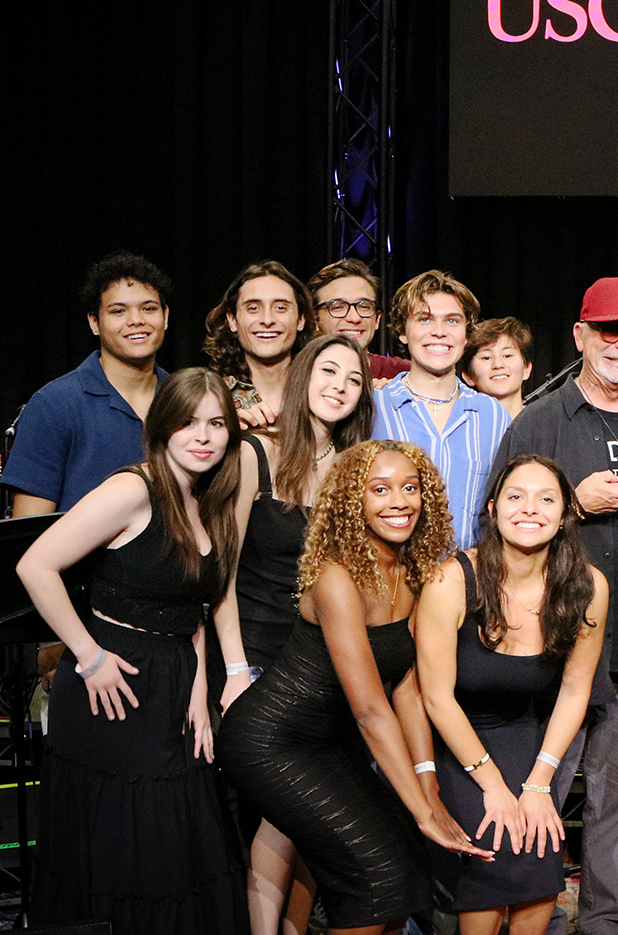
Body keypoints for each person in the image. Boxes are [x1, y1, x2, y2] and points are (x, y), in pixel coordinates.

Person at [486, 275, 618, 935]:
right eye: (610, 330)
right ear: (580, 335)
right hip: (546, 661)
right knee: (534, 799)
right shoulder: (540, 421)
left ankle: (605, 927)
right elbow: (493, 525)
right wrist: (572, 503)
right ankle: (528, 920)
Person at [16, 367, 248, 935]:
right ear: (163, 426)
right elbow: (34, 565)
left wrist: (199, 690)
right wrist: (88, 656)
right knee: (132, 851)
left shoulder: (207, 499)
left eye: (217, 423)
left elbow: (195, 605)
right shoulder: (132, 489)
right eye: (189, 421)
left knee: (180, 849)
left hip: (174, 684)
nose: (203, 436)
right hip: (112, 686)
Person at [218, 440, 484, 934]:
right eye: (379, 490)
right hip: (270, 742)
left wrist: (427, 780)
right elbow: (369, 709)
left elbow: (405, 684)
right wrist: (423, 811)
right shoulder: (336, 577)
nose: (398, 501)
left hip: (327, 742)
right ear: (351, 501)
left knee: (407, 871)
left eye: (410, 488)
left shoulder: (412, 571)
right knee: (375, 880)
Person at [416, 454, 608, 935]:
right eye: (516, 496)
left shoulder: (587, 586)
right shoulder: (450, 582)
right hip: (457, 737)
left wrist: (540, 782)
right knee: (493, 848)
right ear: (493, 508)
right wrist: (494, 787)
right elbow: (436, 698)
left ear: (565, 513)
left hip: (526, 736)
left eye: (546, 499)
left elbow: (574, 689)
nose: (530, 509)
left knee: (540, 856)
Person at [222, 333, 375, 935]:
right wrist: (234, 669)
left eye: (354, 378)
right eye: (328, 371)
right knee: (273, 813)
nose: (339, 384)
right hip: (255, 657)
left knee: (301, 816)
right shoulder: (253, 455)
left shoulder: (358, 470)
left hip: (321, 664)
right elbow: (222, 575)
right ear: (302, 377)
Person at [4, 251, 171, 517]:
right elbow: (29, 531)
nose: (136, 320)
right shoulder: (53, 404)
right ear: (95, 323)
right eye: (118, 311)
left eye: (148, 308)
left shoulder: (186, 399)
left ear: (165, 316)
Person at [372, 270, 510, 550]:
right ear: (402, 330)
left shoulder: (493, 415)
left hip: (469, 585)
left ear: (466, 333)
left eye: (452, 321)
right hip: (390, 583)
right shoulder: (374, 408)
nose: (439, 331)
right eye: (424, 319)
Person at [204, 260, 314, 431]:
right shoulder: (209, 396)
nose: (267, 320)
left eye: (280, 307)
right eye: (253, 308)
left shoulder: (323, 392)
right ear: (232, 320)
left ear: (301, 320)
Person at [308, 258, 409, 381]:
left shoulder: (402, 374)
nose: (354, 318)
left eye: (364, 307)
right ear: (315, 319)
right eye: (338, 307)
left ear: (377, 319)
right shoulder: (293, 373)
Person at [460, 316, 535, 420]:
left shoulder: (546, 425)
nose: (498, 365)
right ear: (468, 376)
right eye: (486, 358)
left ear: (527, 369)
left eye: (507, 355)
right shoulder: (459, 428)